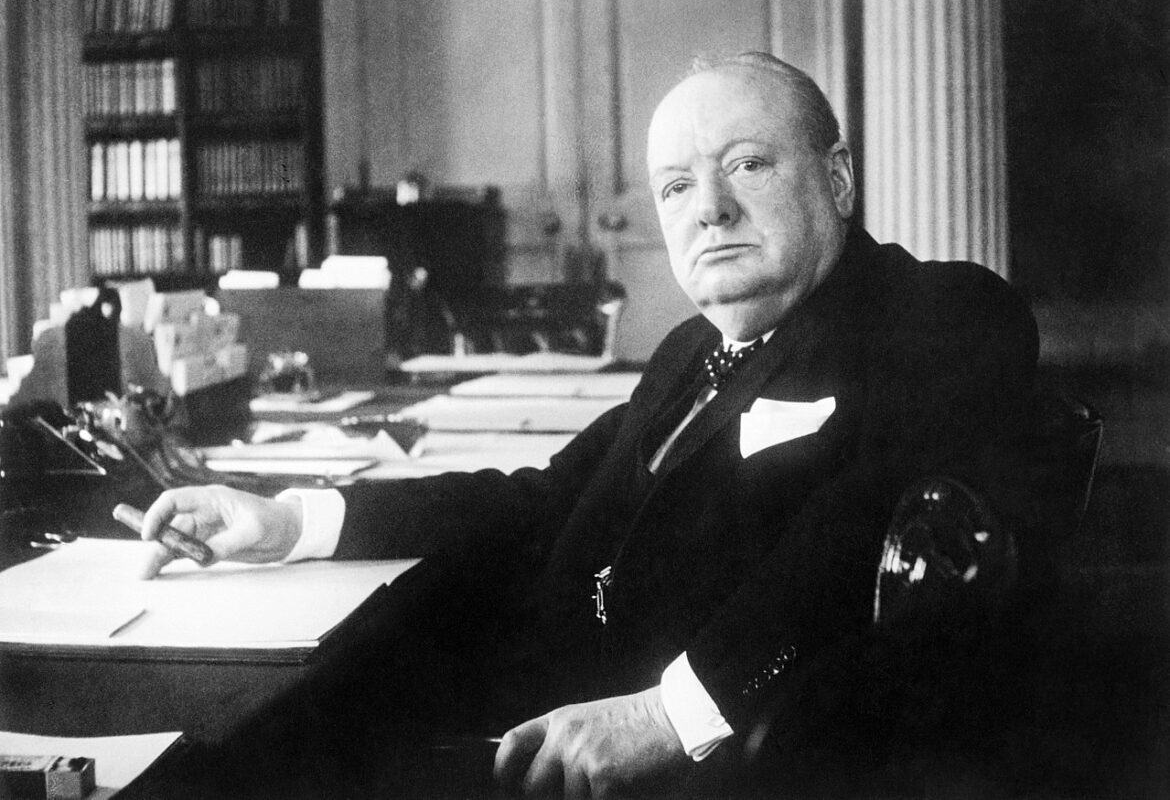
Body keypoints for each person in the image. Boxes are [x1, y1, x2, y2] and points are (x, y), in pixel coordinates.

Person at [134, 52, 1039, 798]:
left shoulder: (940, 310)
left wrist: (667, 715)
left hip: (711, 766)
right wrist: (293, 519)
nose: (710, 208)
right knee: (239, 741)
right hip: (541, 706)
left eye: (749, 164)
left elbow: (860, 535)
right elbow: (542, 498)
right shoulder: (691, 347)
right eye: (677, 186)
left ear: (837, 178)